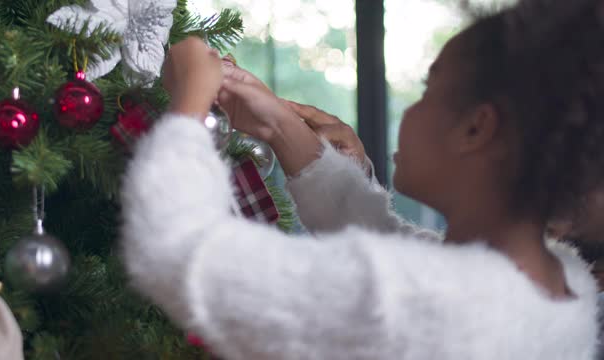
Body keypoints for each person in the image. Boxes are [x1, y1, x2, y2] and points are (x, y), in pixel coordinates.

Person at [120, 2, 603, 359]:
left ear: (476, 128)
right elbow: (395, 248)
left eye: (428, 89)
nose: (411, 109)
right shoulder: (562, 281)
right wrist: (282, 129)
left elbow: (175, 252)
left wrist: (188, 110)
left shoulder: (433, 303)